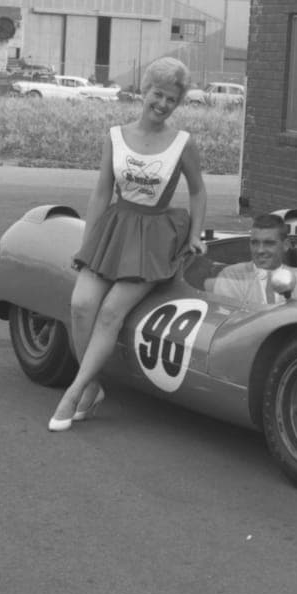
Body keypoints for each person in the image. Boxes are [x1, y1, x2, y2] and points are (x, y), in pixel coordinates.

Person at [48, 57, 207, 432]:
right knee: (81, 304)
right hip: (115, 230)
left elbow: (198, 192)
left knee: (110, 314)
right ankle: (92, 388)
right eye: (158, 94)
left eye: (172, 99)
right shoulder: (115, 135)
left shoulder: (182, 143)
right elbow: (102, 192)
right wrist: (86, 246)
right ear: (144, 90)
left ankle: (74, 392)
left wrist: (196, 234)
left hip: (155, 238)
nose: (163, 104)